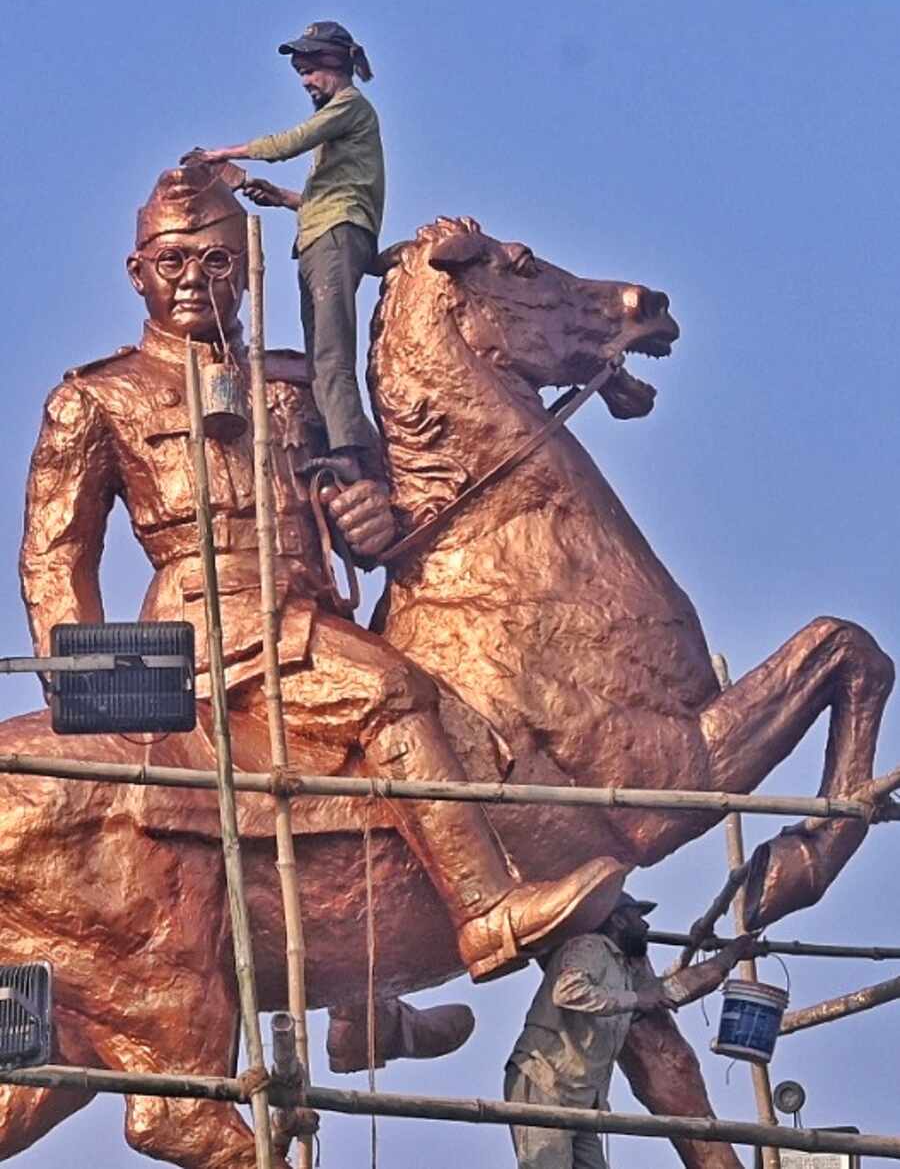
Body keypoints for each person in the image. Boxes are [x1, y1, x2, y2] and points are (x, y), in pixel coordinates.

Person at [20, 159, 623, 991]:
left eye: (218, 260)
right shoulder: (98, 398)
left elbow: (376, 499)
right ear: (138, 273)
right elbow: (56, 557)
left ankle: (362, 1006)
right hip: (213, 628)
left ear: (246, 267)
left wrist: (370, 516)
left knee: (460, 708)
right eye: (173, 262)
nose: (195, 278)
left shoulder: (298, 383)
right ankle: (486, 910)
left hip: (317, 611)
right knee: (389, 690)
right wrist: (92, 689)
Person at [186, 20, 385, 484]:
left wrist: (223, 153)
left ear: (334, 66)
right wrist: (281, 197)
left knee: (332, 351)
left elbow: (289, 144)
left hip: (335, 236)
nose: (304, 81)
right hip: (320, 232)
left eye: (310, 69)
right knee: (320, 353)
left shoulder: (350, 106)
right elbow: (335, 190)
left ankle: (351, 453)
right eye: (300, 70)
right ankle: (339, 445)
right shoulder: (343, 121)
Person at [504, 893, 758, 1169]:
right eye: (639, 918)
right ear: (619, 920)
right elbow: (567, 991)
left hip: (580, 1097)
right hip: (545, 1082)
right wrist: (637, 999)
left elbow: (670, 991)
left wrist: (729, 956)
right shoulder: (590, 947)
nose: (646, 926)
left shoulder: (622, 971)